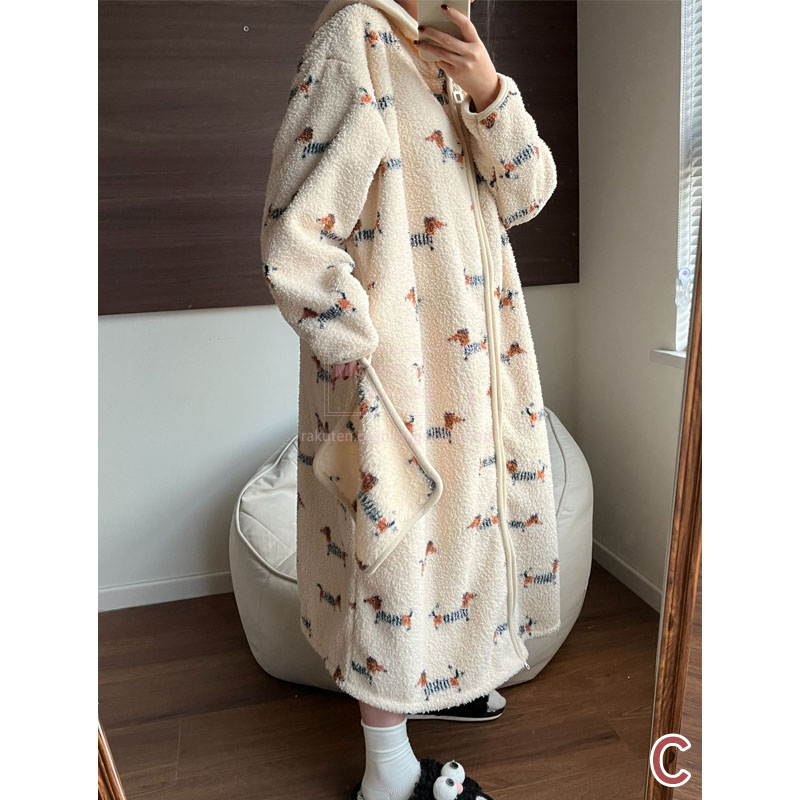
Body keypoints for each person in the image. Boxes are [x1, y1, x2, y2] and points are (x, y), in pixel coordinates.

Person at [260, 1, 560, 797]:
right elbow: (296, 237)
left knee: (465, 528)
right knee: (393, 546)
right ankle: (386, 776)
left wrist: (490, 92)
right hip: (394, 373)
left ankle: (448, 673)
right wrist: (356, 364)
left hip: (478, 361)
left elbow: (527, 195)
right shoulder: (355, 39)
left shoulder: (455, 68)